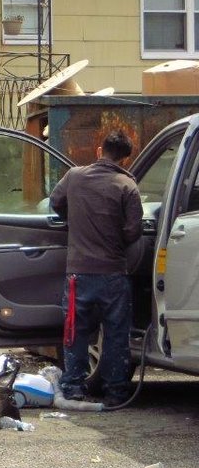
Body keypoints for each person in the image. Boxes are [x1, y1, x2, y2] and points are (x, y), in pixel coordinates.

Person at [49, 129, 143, 407]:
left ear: (99, 151)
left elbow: (55, 202)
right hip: (114, 274)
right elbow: (133, 230)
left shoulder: (74, 177)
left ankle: (73, 388)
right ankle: (116, 392)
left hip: (78, 273)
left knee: (75, 331)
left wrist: (74, 221)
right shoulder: (127, 186)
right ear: (126, 159)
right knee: (115, 335)